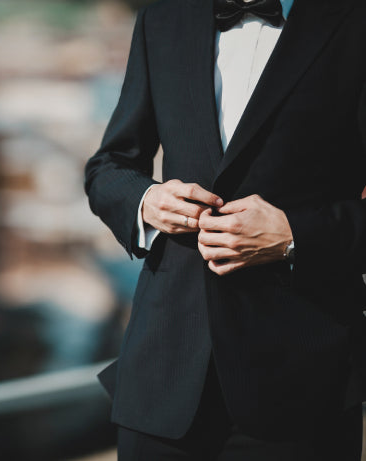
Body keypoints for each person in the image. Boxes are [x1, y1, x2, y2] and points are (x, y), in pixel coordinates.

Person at [84, 0, 366, 459]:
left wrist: (294, 235)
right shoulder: (162, 18)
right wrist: (146, 199)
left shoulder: (354, 21)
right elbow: (108, 166)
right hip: (162, 379)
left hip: (302, 386)